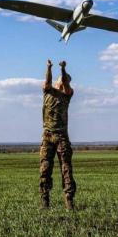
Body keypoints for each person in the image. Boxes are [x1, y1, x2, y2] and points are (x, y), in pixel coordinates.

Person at [39, 59, 76, 210]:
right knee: (45, 169)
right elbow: (47, 82)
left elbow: (67, 86)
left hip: (61, 137)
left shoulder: (67, 94)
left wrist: (63, 70)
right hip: (47, 136)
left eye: (65, 79)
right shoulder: (48, 90)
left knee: (66, 169)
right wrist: (49, 67)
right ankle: (44, 200)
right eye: (61, 79)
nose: (62, 81)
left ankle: (69, 201)